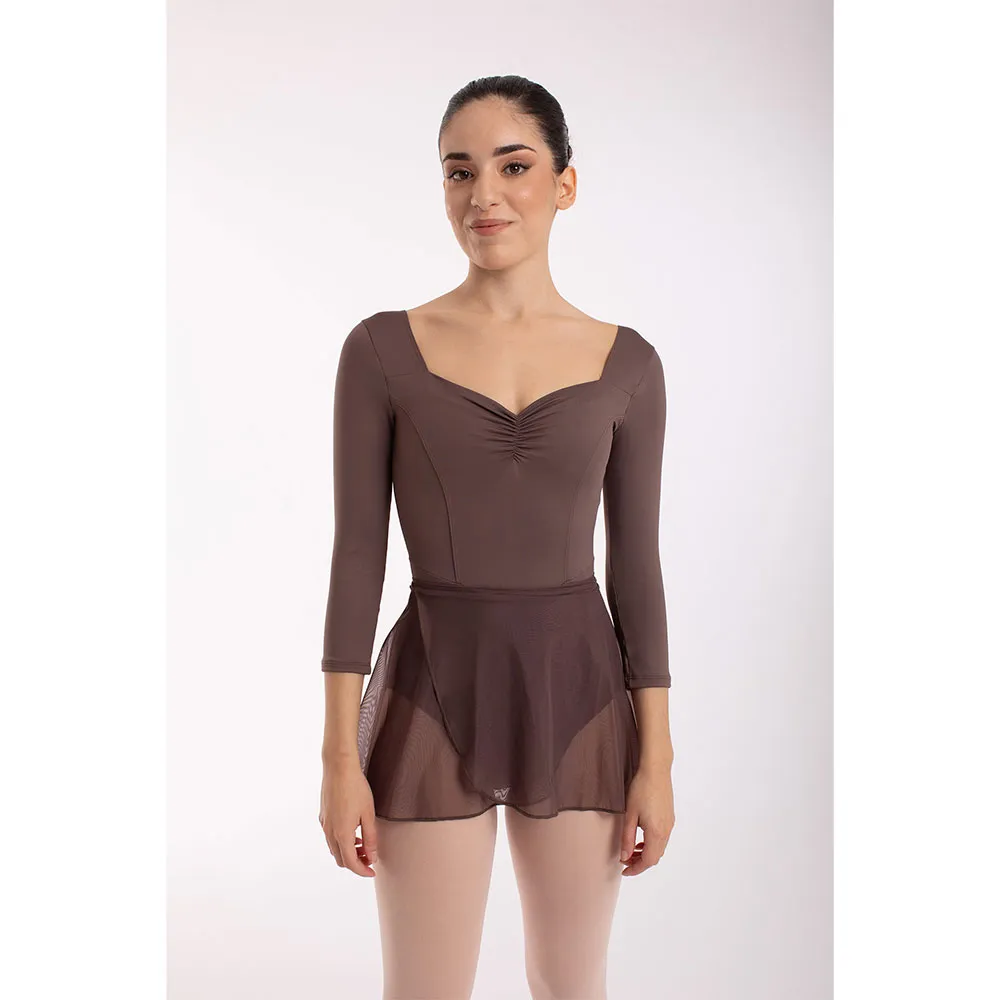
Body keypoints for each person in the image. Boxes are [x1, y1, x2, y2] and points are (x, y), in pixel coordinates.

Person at [317, 74, 675, 1000]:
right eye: (459, 171)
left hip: (580, 695)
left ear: (564, 183)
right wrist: (338, 757)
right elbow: (357, 556)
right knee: (424, 989)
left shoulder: (629, 363)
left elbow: (636, 568)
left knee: (572, 985)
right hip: (431, 690)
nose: (484, 194)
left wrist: (659, 757)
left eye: (514, 167)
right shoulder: (381, 350)